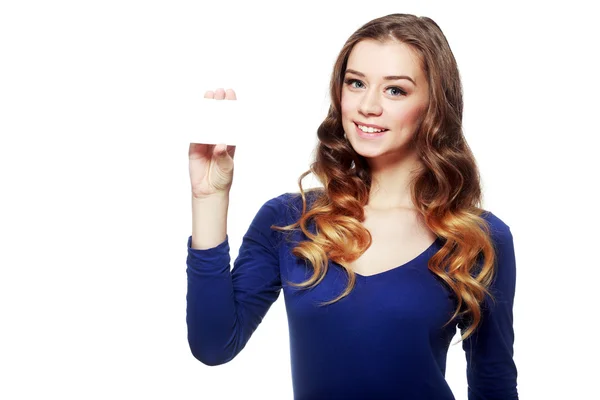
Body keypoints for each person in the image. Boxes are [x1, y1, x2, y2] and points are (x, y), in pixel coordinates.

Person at [186, 13, 518, 400]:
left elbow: (493, 383)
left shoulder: (478, 237)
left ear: (433, 104)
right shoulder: (289, 221)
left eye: (395, 90)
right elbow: (213, 345)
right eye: (356, 83)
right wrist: (208, 199)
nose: (367, 106)